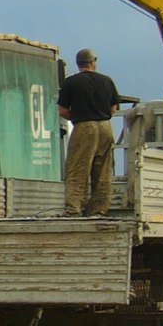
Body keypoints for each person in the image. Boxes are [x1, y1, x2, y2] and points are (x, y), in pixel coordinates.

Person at [57, 48, 121, 216]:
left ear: (78, 64)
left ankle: (73, 208)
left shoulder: (71, 82)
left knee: (78, 167)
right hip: (106, 127)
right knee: (103, 171)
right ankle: (99, 209)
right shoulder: (107, 81)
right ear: (93, 62)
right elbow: (113, 108)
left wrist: (78, 117)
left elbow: (62, 111)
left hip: (84, 127)